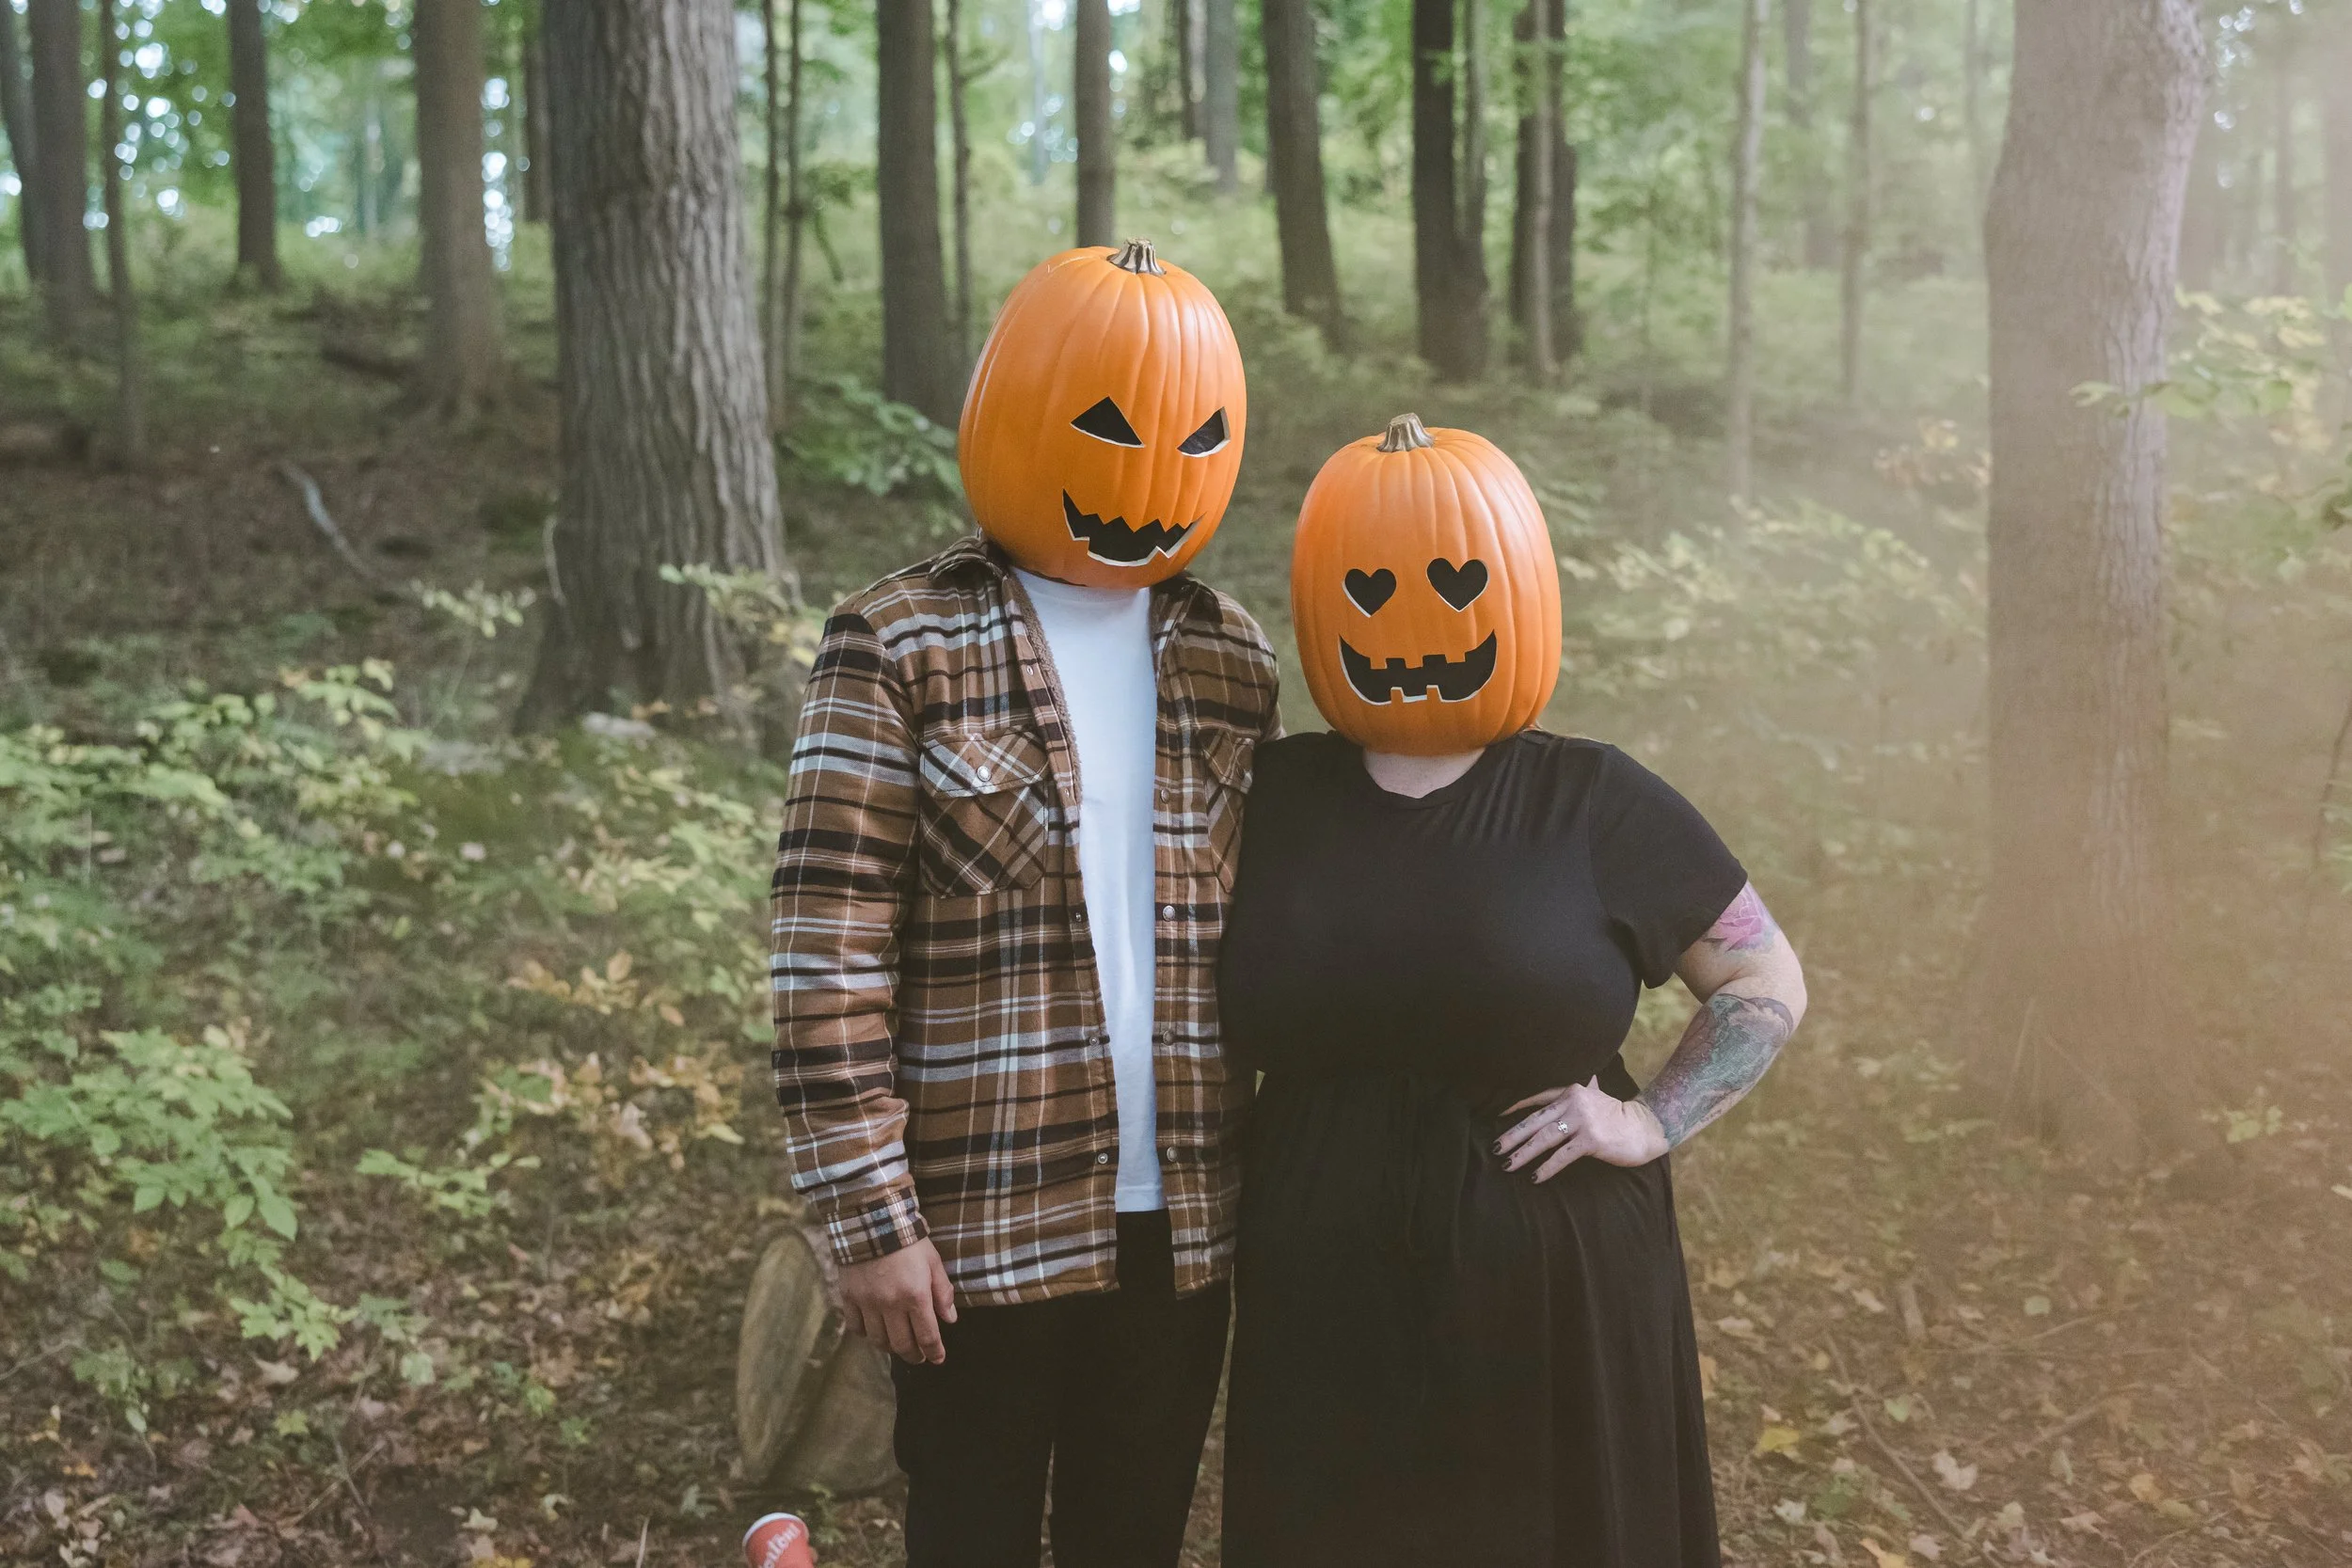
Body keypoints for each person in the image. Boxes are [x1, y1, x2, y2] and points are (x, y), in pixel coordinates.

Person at [1218, 414, 1807, 1568]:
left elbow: (1761, 972)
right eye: (1372, 595)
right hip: (1320, 1293)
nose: (1413, 626)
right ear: (1321, 606)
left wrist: (1648, 1119)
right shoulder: (1267, 793)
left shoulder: (1593, 800)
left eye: (1453, 585)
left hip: (1553, 1292)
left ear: (1517, 591)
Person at [769, 239, 1276, 1568]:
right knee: (971, 1535)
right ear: (1013, 411)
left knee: (1135, 1537)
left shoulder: (1231, 655)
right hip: (980, 1215)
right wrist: (869, 1220)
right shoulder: (896, 641)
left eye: (1188, 438)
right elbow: (824, 953)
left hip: (1187, 1224)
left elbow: (1282, 937)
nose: (1142, 471)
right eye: (1105, 428)